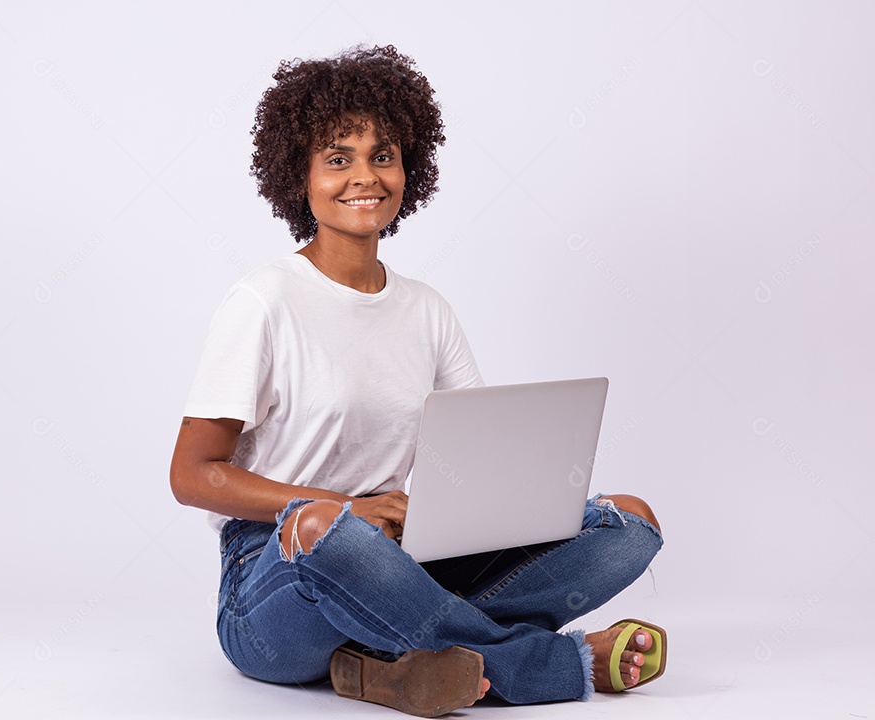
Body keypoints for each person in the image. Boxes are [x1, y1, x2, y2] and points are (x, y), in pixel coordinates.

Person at [170, 45, 666, 717]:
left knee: (629, 523)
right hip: (282, 576)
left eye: (384, 155)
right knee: (326, 528)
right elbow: (193, 475)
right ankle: (543, 665)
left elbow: (478, 459)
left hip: (409, 553)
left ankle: (396, 658)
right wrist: (346, 509)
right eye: (338, 158)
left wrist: (499, 506)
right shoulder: (263, 302)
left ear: (410, 168)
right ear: (300, 176)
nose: (364, 176)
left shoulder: (427, 309)